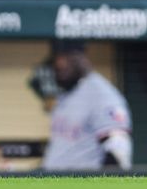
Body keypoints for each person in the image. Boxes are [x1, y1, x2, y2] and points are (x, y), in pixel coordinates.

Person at [42, 40, 132, 171]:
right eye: (57, 57)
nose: (59, 63)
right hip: (56, 185)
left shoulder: (102, 94)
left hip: (83, 187)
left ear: (81, 58)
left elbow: (119, 152)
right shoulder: (67, 94)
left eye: (66, 58)